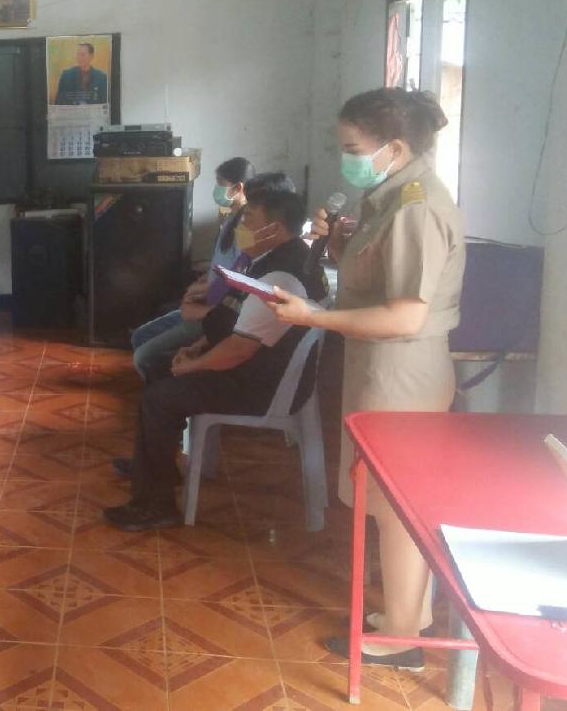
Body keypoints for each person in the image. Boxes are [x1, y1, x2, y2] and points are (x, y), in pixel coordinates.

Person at [268, 88, 464, 670]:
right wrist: (336, 245)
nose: (345, 159)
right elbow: (373, 278)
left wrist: (312, 317)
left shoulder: (415, 208)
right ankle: (408, 617)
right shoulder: (390, 196)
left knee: (398, 506)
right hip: (381, 365)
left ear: (394, 148)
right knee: (386, 501)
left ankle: (403, 640)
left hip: (403, 372)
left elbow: (405, 315)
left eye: (353, 149)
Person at [104, 179, 328, 531]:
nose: (242, 226)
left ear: (275, 227)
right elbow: (239, 324)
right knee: (160, 367)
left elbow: (238, 350)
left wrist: (192, 366)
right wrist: (196, 348)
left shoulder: (280, 277)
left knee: (160, 397)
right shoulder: (281, 257)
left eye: (249, 218)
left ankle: (155, 504)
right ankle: (155, 466)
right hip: (257, 367)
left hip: (260, 385)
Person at [130, 157, 257, 383]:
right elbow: (220, 266)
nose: (217, 189)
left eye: (221, 183)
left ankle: (165, 389)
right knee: (140, 336)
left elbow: (239, 279)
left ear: (238, 188)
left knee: (143, 357)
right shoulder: (230, 219)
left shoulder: (246, 228)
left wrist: (205, 299)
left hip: (215, 311)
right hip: (207, 300)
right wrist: (202, 283)